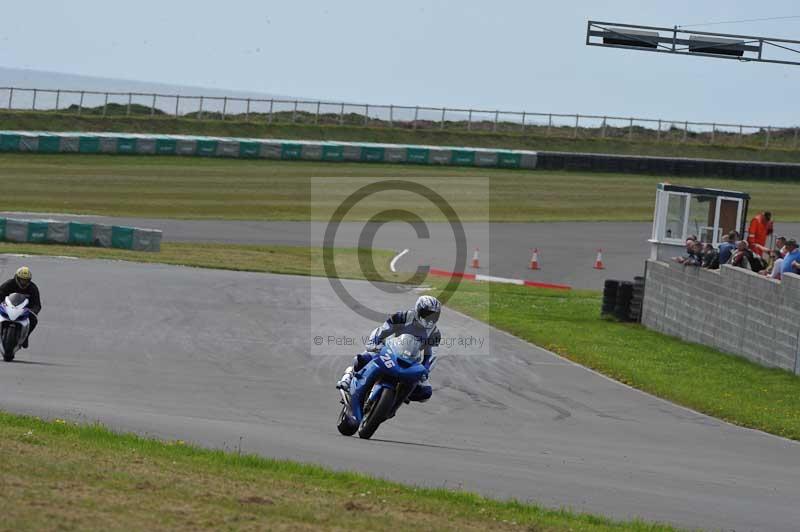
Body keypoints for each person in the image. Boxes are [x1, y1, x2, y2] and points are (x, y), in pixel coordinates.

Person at [336, 295, 441, 403]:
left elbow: (431, 354)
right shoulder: (402, 317)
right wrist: (374, 343)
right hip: (389, 350)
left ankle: (400, 396)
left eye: (433, 316)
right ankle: (349, 376)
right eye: (426, 314)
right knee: (363, 358)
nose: (429, 318)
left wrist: (425, 370)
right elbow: (382, 330)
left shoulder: (434, 333)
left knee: (425, 393)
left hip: (411, 361)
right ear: (418, 310)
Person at [0, 267, 42, 348]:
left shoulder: (33, 288)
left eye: (26, 280)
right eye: (22, 280)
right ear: (17, 278)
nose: (24, 282)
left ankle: (25, 337)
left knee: (34, 320)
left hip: (24, 311)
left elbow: (37, 304)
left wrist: (33, 311)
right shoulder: (9, 284)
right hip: (7, 308)